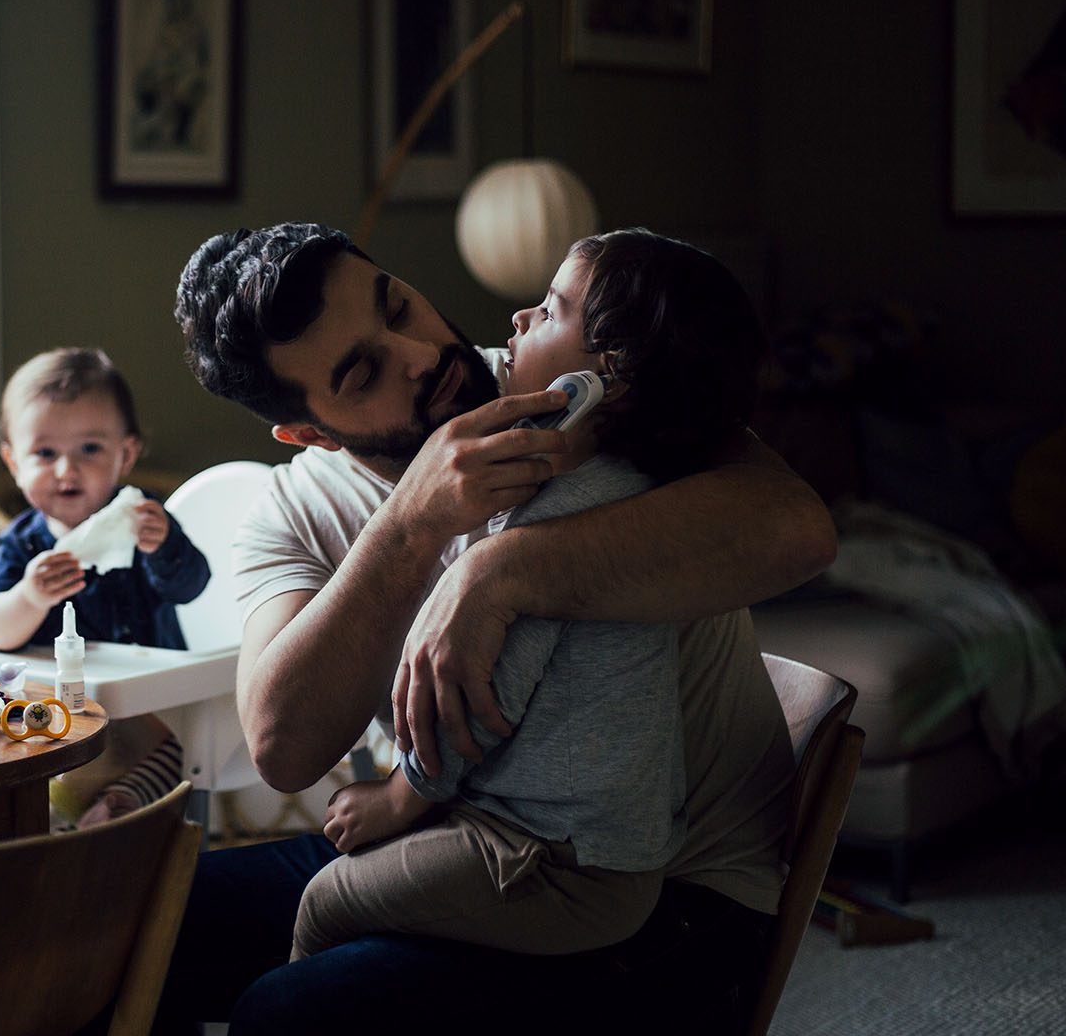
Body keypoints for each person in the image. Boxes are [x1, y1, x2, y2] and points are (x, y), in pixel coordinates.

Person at [156, 222, 836, 1033]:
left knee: (293, 1012)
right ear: (311, 433)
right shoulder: (295, 512)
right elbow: (284, 746)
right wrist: (411, 525)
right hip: (442, 830)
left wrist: (500, 571)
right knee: (125, 933)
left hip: (655, 886)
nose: (419, 354)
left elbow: (800, 529)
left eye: (397, 306)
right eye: (363, 371)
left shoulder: (590, 391)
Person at [291, 228, 769, 963]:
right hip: (555, 835)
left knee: (326, 901)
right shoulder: (611, 487)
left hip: (563, 865)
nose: (515, 320)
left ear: (600, 379)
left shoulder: (564, 516)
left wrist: (396, 800)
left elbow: (482, 703)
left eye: (548, 312)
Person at [0, 347, 210, 828]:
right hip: (57, 713)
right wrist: (28, 597)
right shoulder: (22, 546)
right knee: (13, 755)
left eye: (89, 449)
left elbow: (192, 584)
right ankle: (55, 823)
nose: (66, 470)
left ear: (125, 454)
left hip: (149, 710)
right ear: (14, 462)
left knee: (185, 753)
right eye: (44, 453)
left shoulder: (145, 522)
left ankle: (117, 809)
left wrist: (164, 547)